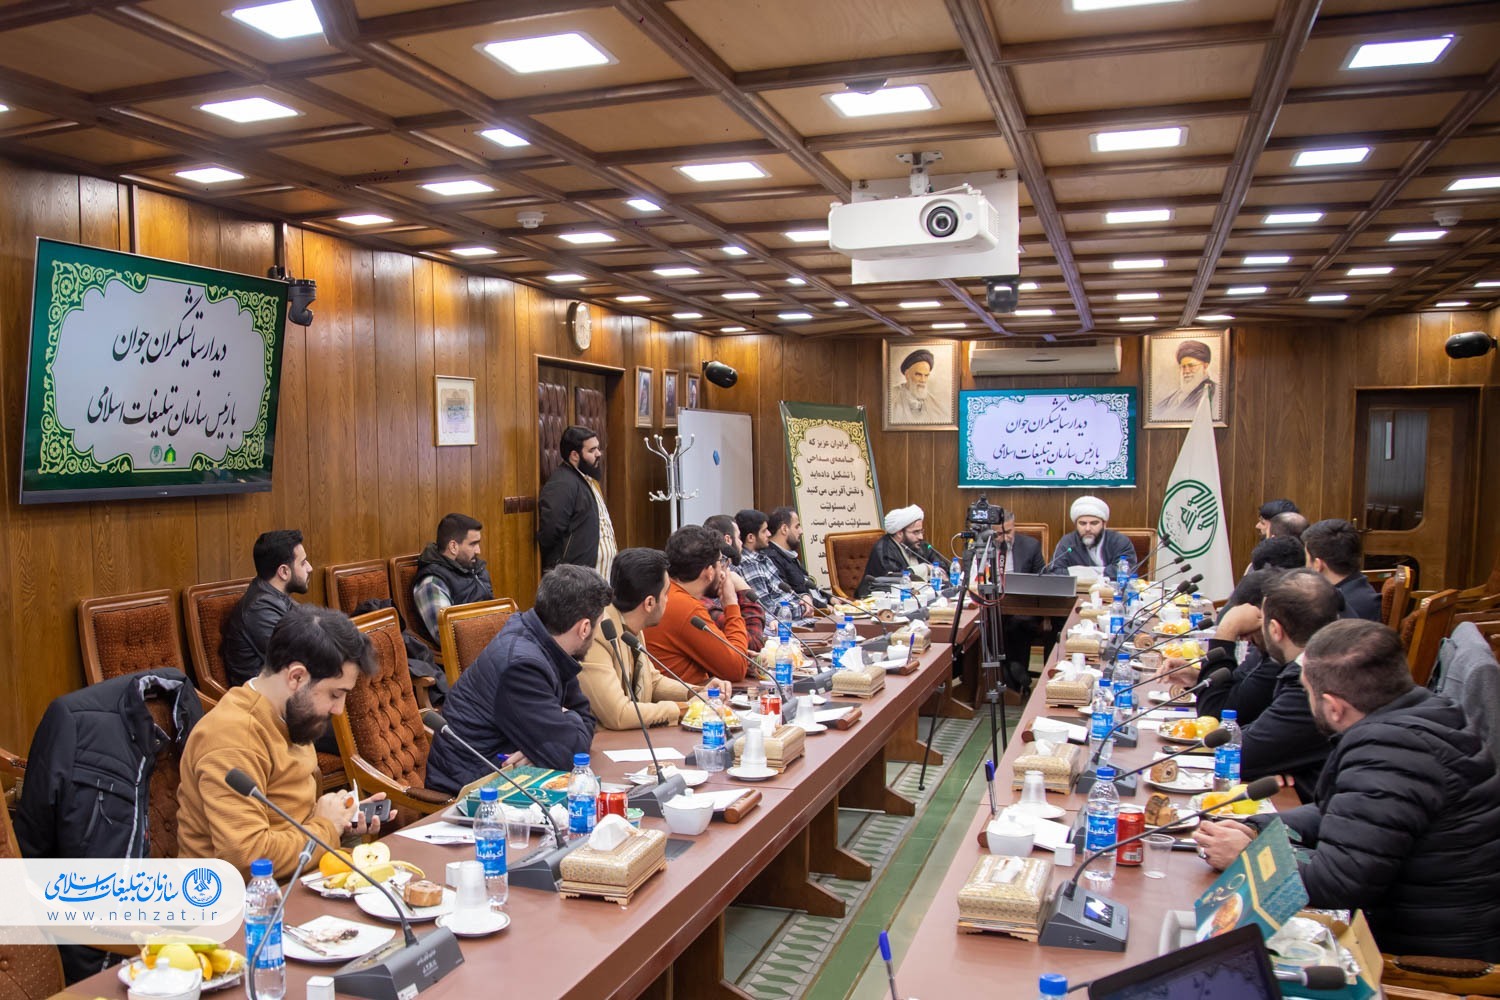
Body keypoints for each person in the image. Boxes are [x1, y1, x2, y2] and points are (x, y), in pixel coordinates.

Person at [1194, 620, 1500, 960]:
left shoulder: (1391, 751)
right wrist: (1257, 828)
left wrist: (1249, 857)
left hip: (1422, 957)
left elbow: (1339, 883)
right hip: (1426, 927)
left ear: (1333, 706)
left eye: (1307, 693)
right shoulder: (1424, 716)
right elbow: (1341, 813)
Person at [177, 605, 387, 879]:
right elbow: (248, 858)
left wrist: (342, 819)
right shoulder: (233, 738)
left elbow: (288, 816)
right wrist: (326, 827)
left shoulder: (291, 713)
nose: (339, 710)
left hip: (296, 878)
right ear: (296, 677)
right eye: (335, 695)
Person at [425, 565, 610, 791]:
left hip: (508, 777)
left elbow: (586, 720)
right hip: (473, 788)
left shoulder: (549, 644)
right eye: (599, 625)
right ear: (584, 628)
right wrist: (551, 741)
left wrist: (542, 748)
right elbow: (571, 754)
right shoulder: (522, 667)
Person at [1235, 568, 1344, 800]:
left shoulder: (1312, 680)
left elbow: (1239, 756)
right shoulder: (1338, 657)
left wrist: (1225, 632)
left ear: (1275, 630)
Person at [577, 548, 693, 730]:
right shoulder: (598, 633)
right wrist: (682, 709)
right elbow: (618, 715)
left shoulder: (632, 625)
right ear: (649, 603)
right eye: (666, 594)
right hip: (601, 743)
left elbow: (651, 682)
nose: (668, 600)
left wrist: (694, 694)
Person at [643, 526, 752, 686]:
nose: (724, 571)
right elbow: (736, 669)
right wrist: (731, 605)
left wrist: (740, 655)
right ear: (709, 572)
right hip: (684, 699)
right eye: (721, 562)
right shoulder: (685, 607)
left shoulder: (670, 594)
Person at [220, 529, 312, 687]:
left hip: (288, 687)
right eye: (303, 563)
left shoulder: (274, 596)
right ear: (284, 571)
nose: (309, 568)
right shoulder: (259, 609)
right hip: (263, 698)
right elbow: (299, 657)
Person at [537, 425, 617, 575]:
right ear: (574, 455)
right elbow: (550, 533)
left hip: (597, 576)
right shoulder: (562, 484)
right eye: (592, 450)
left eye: (598, 448)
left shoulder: (588, 479)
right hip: (577, 577)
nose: (599, 454)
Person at [411, 512, 493, 645]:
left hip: (492, 641)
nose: (478, 551)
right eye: (473, 544)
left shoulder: (476, 569)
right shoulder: (432, 582)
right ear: (453, 546)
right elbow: (446, 635)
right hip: (471, 650)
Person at [1302, 518, 1381, 621]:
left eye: (1306, 559)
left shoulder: (1333, 609)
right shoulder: (1363, 591)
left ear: (1318, 565)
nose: (1305, 565)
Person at [737, 508, 810, 617]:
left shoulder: (763, 558)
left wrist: (804, 597)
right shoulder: (749, 564)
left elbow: (784, 593)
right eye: (764, 531)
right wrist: (803, 608)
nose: (769, 533)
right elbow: (767, 608)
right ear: (751, 537)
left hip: (794, 616)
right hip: (784, 622)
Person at [856, 505, 935, 599]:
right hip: (878, 601)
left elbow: (942, 565)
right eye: (916, 532)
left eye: (921, 531)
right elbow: (895, 579)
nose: (921, 537)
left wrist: (938, 571)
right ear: (899, 533)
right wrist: (925, 568)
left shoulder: (919, 545)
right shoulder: (884, 550)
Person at [1049, 496, 1136, 572]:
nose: (1088, 529)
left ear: (1104, 524)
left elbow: (1126, 570)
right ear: (1076, 525)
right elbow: (1055, 571)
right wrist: (1100, 572)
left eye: (1094, 523)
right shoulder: (1068, 543)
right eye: (1082, 523)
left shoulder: (1119, 541)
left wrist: (1082, 573)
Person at [763, 506, 828, 607]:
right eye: (797, 527)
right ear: (784, 529)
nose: (801, 531)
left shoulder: (789, 555)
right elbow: (792, 596)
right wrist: (827, 607)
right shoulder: (772, 559)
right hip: (814, 611)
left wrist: (831, 599)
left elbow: (809, 586)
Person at [1154, 339, 1217, 421]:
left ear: (1205, 366)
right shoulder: (1175, 396)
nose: (1186, 371)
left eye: (1191, 366)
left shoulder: (1215, 392)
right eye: (1183, 367)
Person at [889, 348, 943, 424]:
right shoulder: (891, 396)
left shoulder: (934, 403)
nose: (923, 380)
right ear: (907, 375)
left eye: (926, 375)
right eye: (918, 374)